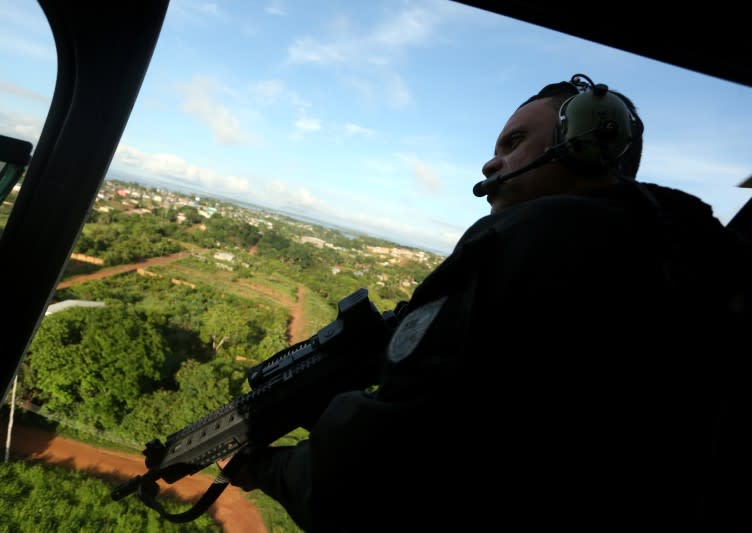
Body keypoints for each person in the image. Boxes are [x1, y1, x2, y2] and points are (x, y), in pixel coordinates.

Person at [220, 74, 751, 532]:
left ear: (587, 136)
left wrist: (265, 470)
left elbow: (375, 475)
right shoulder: (690, 259)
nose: (493, 162)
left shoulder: (531, 237)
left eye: (515, 141)